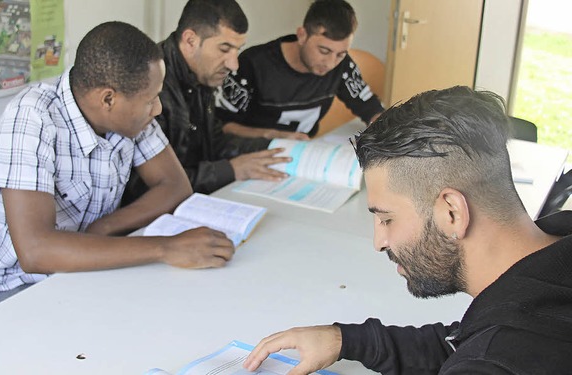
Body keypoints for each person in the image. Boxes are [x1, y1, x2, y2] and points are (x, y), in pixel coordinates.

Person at [242, 86, 572, 374]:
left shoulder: (500, 361)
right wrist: (348, 341)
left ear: (452, 212)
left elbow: (485, 353)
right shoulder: (554, 252)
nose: (379, 242)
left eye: (387, 219)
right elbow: (464, 342)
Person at [0, 22, 236, 319]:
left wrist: (104, 228)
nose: (157, 110)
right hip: (11, 288)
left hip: (87, 268)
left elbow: (175, 185)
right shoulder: (32, 117)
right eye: (150, 100)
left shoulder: (130, 115)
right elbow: (35, 251)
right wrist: (164, 248)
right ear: (108, 99)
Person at [145, 0, 291, 195]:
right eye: (224, 49)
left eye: (237, 50)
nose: (234, 64)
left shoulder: (203, 74)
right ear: (190, 41)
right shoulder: (149, 85)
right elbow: (154, 185)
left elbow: (216, 143)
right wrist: (231, 170)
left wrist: (275, 146)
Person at [215, 0, 384, 140]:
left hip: (304, 155)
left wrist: (389, 132)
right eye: (323, 51)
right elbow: (223, 125)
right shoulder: (252, 64)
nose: (331, 63)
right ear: (302, 35)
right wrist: (270, 135)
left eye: (340, 54)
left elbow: (370, 107)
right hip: (251, 156)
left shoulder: (342, 66)